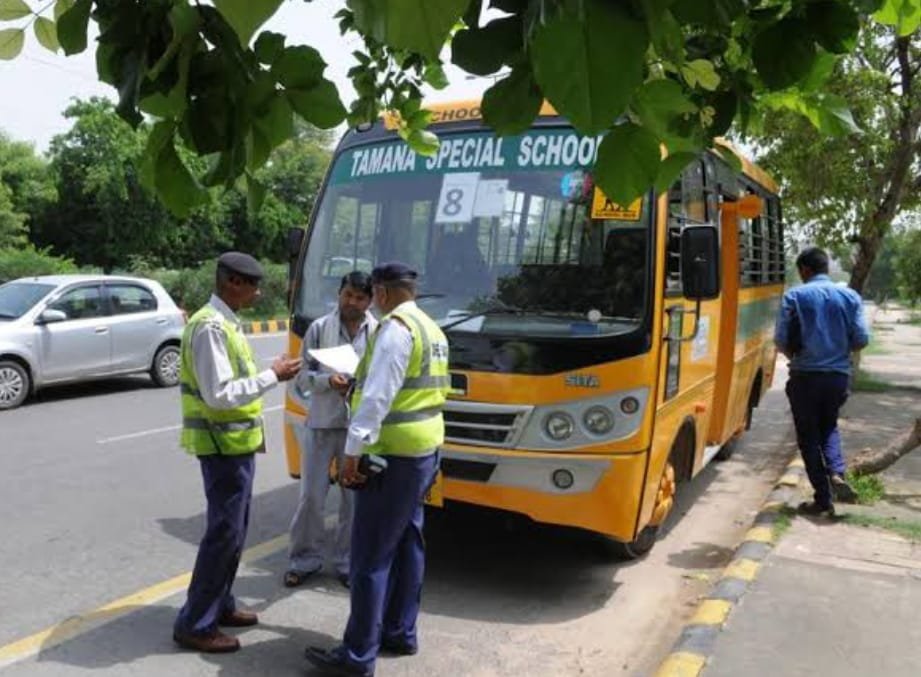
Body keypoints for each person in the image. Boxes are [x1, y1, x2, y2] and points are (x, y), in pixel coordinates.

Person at [305, 262, 450, 677]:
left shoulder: (395, 330)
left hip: (392, 456)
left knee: (370, 556)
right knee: (408, 543)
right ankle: (400, 632)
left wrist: (352, 453)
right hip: (424, 452)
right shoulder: (432, 330)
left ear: (382, 293)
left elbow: (376, 400)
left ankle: (356, 657)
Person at [173, 252, 302, 654]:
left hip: (235, 446)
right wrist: (273, 376)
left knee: (235, 533)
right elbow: (220, 395)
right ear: (232, 283)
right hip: (220, 445)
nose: (258, 292)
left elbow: (233, 378)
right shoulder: (210, 327)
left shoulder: (227, 323)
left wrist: (270, 368)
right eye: (252, 284)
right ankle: (196, 623)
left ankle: (220, 604)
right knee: (223, 535)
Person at [285, 271, 377, 589]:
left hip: (357, 430)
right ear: (339, 294)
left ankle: (347, 562)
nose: (352, 302)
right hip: (321, 423)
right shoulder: (319, 328)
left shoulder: (378, 332)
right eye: (347, 295)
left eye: (360, 297)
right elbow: (301, 376)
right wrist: (328, 381)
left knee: (353, 502)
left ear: (370, 300)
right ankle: (303, 560)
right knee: (311, 497)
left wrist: (357, 385)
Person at [774, 247, 870, 517]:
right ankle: (837, 473)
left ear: (805, 270)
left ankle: (823, 498)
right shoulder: (850, 296)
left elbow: (781, 339)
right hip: (838, 377)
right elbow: (862, 339)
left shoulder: (794, 296)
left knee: (808, 438)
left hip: (805, 377)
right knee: (828, 427)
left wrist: (797, 355)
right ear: (825, 267)